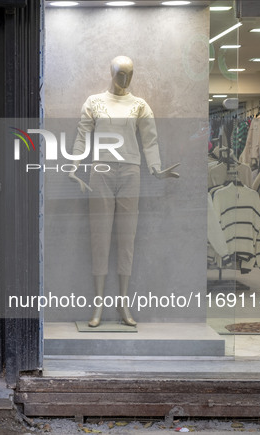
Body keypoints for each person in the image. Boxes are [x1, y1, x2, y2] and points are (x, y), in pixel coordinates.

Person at [69, 55, 179, 328]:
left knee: (127, 238)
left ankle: (123, 302)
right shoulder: (94, 102)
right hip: (101, 172)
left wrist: (156, 168)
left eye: (130, 74)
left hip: (131, 171)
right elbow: (82, 135)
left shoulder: (140, 105)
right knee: (100, 237)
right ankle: (98, 304)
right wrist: (73, 167)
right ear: (111, 73)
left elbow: (149, 139)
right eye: (120, 74)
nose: (125, 80)